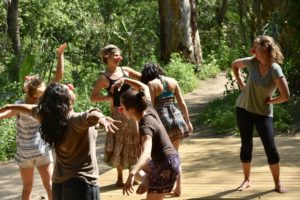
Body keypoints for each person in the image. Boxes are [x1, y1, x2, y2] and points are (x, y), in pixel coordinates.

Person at [0, 83, 120, 200]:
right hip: (81, 184)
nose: (71, 87)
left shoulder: (48, 118)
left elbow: (29, 109)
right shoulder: (75, 120)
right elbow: (92, 114)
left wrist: (9, 107)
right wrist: (102, 117)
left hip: (59, 184)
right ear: (66, 100)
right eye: (68, 89)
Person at [0, 43, 67, 200]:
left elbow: (3, 115)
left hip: (25, 152)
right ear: (40, 91)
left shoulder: (19, 105)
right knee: (49, 185)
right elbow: (58, 77)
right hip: (42, 149)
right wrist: (60, 55)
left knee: (27, 188)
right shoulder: (43, 102)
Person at [232, 35, 290, 193]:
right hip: (243, 109)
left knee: (270, 148)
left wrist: (271, 102)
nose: (252, 50)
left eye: (255, 47)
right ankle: (246, 180)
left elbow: (285, 95)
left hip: (263, 113)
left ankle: (277, 183)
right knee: (246, 145)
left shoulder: (274, 69)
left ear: (265, 48)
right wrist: (240, 82)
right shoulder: (252, 62)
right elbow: (235, 64)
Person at [90, 44, 142, 186]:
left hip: (132, 112)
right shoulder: (104, 77)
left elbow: (143, 79)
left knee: (135, 141)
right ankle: (119, 177)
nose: (119, 58)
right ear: (107, 56)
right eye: (116, 55)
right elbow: (93, 97)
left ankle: (134, 173)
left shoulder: (125, 70)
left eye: (120, 55)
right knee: (120, 142)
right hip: (117, 113)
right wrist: (109, 98)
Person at [140, 62, 193, 196]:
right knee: (176, 155)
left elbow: (150, 107)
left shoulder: (151, 85)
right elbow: (182, 103)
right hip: (176, 119)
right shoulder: (172, 81)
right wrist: (188, 121)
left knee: (164, 156)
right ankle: (178, 188)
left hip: (162, 122)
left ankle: (163, 185)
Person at [120, 89, 180, 200]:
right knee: (135, 168)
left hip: (165, 166)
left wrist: (132, 174)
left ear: (132, 109)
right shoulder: (148, 108)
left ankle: (147, 177)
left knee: (135, 171)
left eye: (122, 108)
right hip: (170, 159)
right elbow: (142, 88)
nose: (121, 111)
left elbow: (147, 154)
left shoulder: (145, 127)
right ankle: (146, 177)